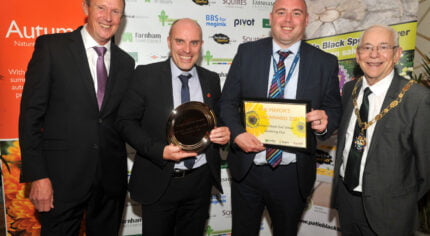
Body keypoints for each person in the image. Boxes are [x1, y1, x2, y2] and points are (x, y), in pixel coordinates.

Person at [219, 0, 342, 235]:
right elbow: (227, 102)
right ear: (272, 17)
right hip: (248, 170)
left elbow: (334, 109)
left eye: (296, 13)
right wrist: (237, 134)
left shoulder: (325, 62)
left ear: (306, 20)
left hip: (292, 174)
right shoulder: (247, 53)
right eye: (281, 12)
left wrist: (325, 122)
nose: (288, 20)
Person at [18, 0, 135, 235]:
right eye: (101, 8)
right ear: (85, 9)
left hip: (110, 184)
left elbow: (124, 121)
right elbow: (30, 116)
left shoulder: (126, 62)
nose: (108, 17)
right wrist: (38, 176)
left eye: (116, 12)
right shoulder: (52, 48)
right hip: (60, 181)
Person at [116, 18, 230, 236]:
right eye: (180, 41)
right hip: (159, 180)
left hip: (200, 182)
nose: (187, 50)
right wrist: (159, 151)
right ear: (169, 41)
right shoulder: (145, 75)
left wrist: (224, 132)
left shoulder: (211, 79)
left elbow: (218, 120)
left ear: (201, 45)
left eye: (194, 43)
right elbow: (125, 122)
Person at [331, 25, 430, 236]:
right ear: (358, 56)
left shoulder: (417, 99)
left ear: (397, 54)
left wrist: (400, 201)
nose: (374, 54)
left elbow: (426, 168)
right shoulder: (350, 89)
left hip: (390, 213)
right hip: (347, 202)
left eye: (383, 47)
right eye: (367, 47)